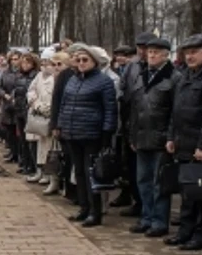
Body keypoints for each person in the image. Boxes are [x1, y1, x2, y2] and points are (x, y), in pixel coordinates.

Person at [166, 34, 202, 250]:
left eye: (194, 52)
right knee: (187, 192)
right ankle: (185, 231)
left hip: (201, 147)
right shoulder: (185, 76)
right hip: (183, 142)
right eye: (187, 52)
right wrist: (172, 136)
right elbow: (176, 110)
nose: (189, 56)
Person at [54, 44, 118, 228]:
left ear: (94, 62)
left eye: (85, 60)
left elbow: (110, 110)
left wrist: (107, 133)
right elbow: (64, 105)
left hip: (92, 134)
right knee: (79, 172)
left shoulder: (103, 82)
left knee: (92, 174)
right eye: (79, 60)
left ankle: (95, 212)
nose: (81, 63)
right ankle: (83, 207)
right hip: (72, 133)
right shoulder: (73, 80)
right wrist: (60, 125)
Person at [126, 37, 180, 238]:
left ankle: (159, 221)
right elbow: (134, 109)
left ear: (166, 55)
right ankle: (146, 217)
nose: (151, 55)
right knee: (143, 181)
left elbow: (176, 111)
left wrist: (171, 136)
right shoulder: (141, 76)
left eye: (156, 52)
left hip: (161, 138)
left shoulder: (174, 77)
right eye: (149, 52)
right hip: (141, 137)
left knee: (159, 183)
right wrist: (132, 135)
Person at [114, 32, 156, 215]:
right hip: (130, 122)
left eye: (146, 48)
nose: (143, 51)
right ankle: (138, 202)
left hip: (152, 126)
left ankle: (150, 209)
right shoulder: (132, 67)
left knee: (149, 173)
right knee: (132, 168)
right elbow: (123, 90)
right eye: (140, 48)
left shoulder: (165, 71)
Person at [25, 54, 56, 186]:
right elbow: (31, 90)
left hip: (48, 114)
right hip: (37, 113)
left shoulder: (55, 79)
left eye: (47, 63)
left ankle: (50, 176)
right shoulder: (38, 76)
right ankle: (40, 171)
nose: (44, 66)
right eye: (43, 63)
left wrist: (45, 108)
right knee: (39, 146)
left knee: (50, 147)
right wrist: (34, 102)